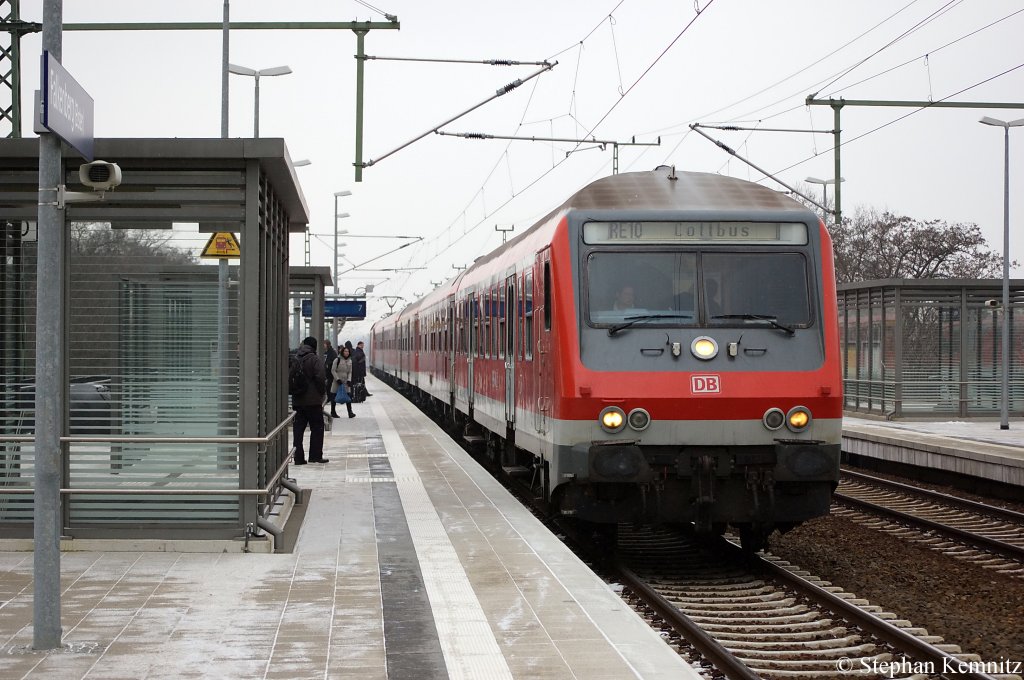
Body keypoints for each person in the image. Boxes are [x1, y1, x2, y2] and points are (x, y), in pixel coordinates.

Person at [292, 336, 328, 465]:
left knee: (298, 430)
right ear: (315, 346)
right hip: (313, 401)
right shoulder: (314, 359)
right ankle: (315, 456)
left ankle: (298, 458)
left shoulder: (296, 358)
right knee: (317, 428)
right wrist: (321, 393)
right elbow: (320, 377)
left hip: (298, 400)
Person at [331, 345, 356, 418]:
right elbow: (333, 370)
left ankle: (350, 412)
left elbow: (350, 372)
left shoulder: (350, 361)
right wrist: (337, 379)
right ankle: (333, 411)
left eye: (348, 351)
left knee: (348, 396)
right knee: (334, 396)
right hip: (337, 381)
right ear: (342, 352)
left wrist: (349, 380)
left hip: (346, 382)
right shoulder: (337, 360)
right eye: (345, 351)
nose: (347, 352)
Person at [323, 339, 338, 406]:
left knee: (329, 387)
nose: (323, 345)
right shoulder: (328, 352)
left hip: (330, 374)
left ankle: (330, 399)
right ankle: (329, 399)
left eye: (324, 344)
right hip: (329, 373)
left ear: (327, 344)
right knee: (328, 387)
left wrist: (327, 365)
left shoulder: (331, 352)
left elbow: (333, 363)